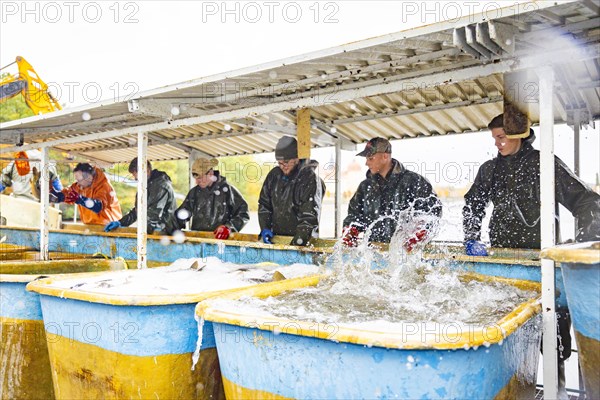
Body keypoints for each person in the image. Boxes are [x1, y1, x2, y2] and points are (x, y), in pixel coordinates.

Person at [463, 113, 600, 399]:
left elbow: (587, 201)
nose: (497, 143)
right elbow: (472, 204)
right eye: (494, 138)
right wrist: (471, 237)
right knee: (508, 333)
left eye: (502, 137)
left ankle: (558, 390)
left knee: (554, 337)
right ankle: (513, 388)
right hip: (503, 264)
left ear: (520, 134)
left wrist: (582, 242)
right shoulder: (489, 169)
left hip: (542, 265)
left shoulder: (544, 164)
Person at [342, 137, 442, 249]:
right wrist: (351, 229)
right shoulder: (365, 187)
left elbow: (433, 212)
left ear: (385, 156)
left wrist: (421, 231)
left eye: (370, 158)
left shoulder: (414, 181)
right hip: (373, 255)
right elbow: (354, 215)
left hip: (406, 255)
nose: (366, 163)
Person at [258, 136, 326, 246]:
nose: (282, 166)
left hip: (304, 243)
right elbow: (264, 205)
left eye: (286, 162)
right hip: (277, 239)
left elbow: (309, 216)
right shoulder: (273, 176)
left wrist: (298, 242)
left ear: (297, 158)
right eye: (279, 162)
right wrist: (265, 227)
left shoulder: (310, 179)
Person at [174, 157, 249, 239]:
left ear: (210, 173)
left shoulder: (228, 191)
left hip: (222, 242)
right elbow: (182, 214)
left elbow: (243, 213)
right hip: (198, 242)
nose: (196, 182)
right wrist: (170, 226)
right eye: (196, 178)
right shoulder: (194, 193)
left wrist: (229, 227)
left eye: (200, 178)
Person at [104, 158, 177, 235]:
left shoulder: (161, 185)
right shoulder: (146, 185)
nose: (135, 178)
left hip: (166, 232)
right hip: (153, 230)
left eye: (136, 175)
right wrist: (120, 222)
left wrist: (140, 234)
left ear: (146, 171)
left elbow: (154, 214)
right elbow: (138, 211)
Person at [52, 163, 122, 225]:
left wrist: (80, 199)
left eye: (79, 180)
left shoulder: (104, 187)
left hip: (110, 227)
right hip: (91, 226)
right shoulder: (80, 186)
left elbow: (98, 206)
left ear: (89, 177)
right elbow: (68, 193)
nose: (78, 183)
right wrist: (57, 195)